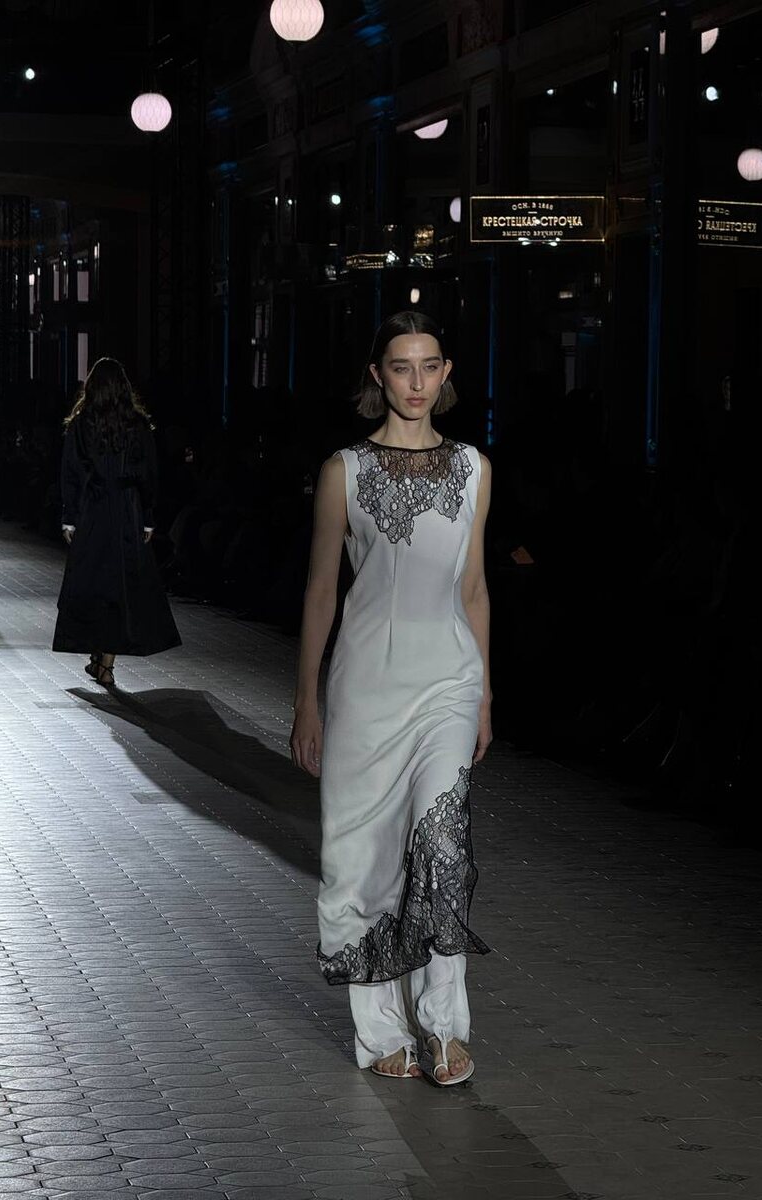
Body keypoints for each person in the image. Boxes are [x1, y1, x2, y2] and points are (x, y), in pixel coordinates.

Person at [290, 311, 493, 1084]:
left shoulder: (474, 467)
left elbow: (474, 588)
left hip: (448, 681)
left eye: (429, 365)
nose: (416, 381)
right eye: (401, 367)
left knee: (442, 850)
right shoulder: (344, 471)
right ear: (379, 375)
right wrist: (306, 702)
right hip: (366, 686)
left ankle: (444, 1027)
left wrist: (484, 695)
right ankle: (382, 1033)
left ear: (446, 373)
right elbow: (321, 591)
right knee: (363, 859)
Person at [52, 357, 181, 685]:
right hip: (128, 510)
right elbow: (149, 473)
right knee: (120, 588)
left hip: (94, 510)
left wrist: (69, 517)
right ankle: (105, 664)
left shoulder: (82, 423)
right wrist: (147, 517)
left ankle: (101, 660)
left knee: (95, 584)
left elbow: (71, 471)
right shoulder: (136, 424)